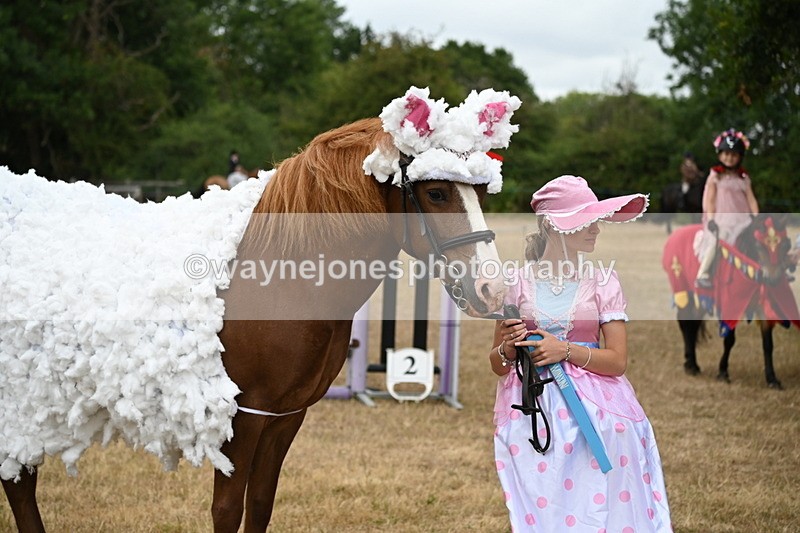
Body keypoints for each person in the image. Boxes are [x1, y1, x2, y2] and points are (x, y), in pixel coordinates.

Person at [489, 175, 672, 532]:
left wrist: (565, 350)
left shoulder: (603, 281)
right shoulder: (516, 281)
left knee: (600, 502)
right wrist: (508, 348)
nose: (597, 231)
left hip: (600, 409)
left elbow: (617, 361)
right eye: (587, 221)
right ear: (556, 226)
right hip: (534, 410)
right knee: (549, 509)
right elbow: (497, 364)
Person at [695, 129, 759, 288]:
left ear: (739, 157)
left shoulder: (743, 178)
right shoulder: (715, 176)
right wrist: (710, 219)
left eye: (734, 155)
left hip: (743, 219)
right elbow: (710, 200)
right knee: (718, 240)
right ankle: (703, 273)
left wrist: (757, 217)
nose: (729, 158)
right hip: (722, 220)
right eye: (726, 154)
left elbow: (751, 200)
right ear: (720, 155)